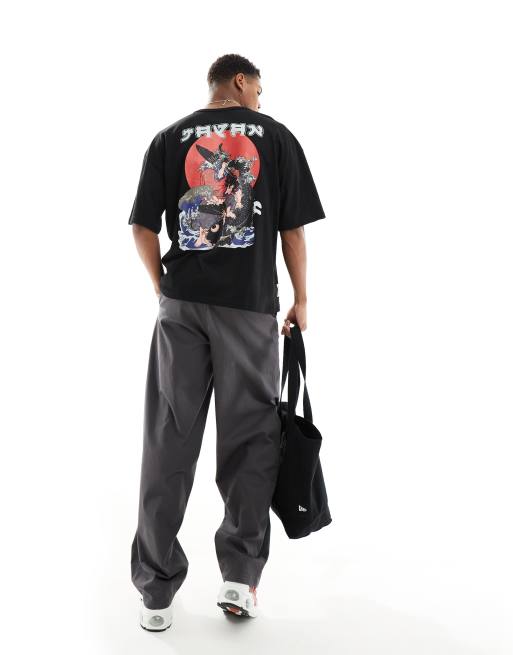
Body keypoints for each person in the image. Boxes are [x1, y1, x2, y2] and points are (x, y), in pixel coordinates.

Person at [128, 53, 326, 631]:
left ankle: (155, 594)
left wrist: (162, 286)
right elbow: (292, 230)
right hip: (249, 308)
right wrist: (302, 299)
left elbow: (142, 226)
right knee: (250, 439)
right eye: (259, 88)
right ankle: (240, 578)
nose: (261, 99)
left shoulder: (168, 138)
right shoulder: (277, 137)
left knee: (168, 440)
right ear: (241, 80)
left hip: (182, 308)